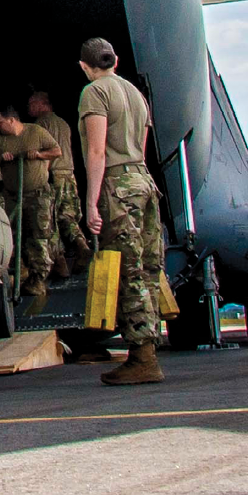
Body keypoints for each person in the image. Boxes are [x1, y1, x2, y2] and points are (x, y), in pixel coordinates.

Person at [78, 38, 165, 386]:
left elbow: (97, 152)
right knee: (148, 268)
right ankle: (149, 348)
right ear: (115, 60)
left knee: (128, 270)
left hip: (118, 186)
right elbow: (140, 150)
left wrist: (91, 201)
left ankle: (142, 357)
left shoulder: (95, 93)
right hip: (143, 181)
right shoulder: (135, 94)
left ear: (84, 66)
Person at [0, 105, 62, 301]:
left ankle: (39, 278)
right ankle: (21, 272)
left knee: (39, 235)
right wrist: (0, 159)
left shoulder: (35, 132)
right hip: (14, 195)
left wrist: (38, 155)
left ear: (11, 120)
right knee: (15, 236)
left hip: (38, 194)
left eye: (0, 122)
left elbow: (56, 151)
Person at [27, 89, 96, 275]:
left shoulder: (41, 124)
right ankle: (81, 246)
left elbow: (44, 152)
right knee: (67, 215)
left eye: (32, 103)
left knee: (51, 219)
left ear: (43, 104)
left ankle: (60, 261)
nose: (29, 107)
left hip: (53, 174)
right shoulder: (63, 123)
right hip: (69, 174)